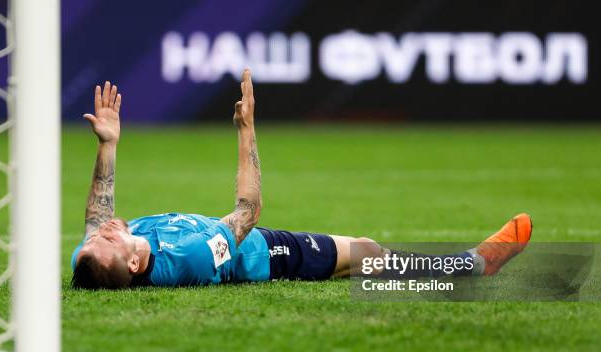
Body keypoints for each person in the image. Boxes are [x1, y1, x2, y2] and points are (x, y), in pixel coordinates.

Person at [71, 70, 532, 289]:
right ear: (134, 265)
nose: (104, 230)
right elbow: (247, 215)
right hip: (266, 254)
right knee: (367, 252)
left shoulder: (97, 257)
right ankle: (470, 267)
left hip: (247, 244)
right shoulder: (188, 258)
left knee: (368, 259)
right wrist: (246, 128)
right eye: (107, 241)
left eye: (94, 240)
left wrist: (107, 145)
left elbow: (97, 217)